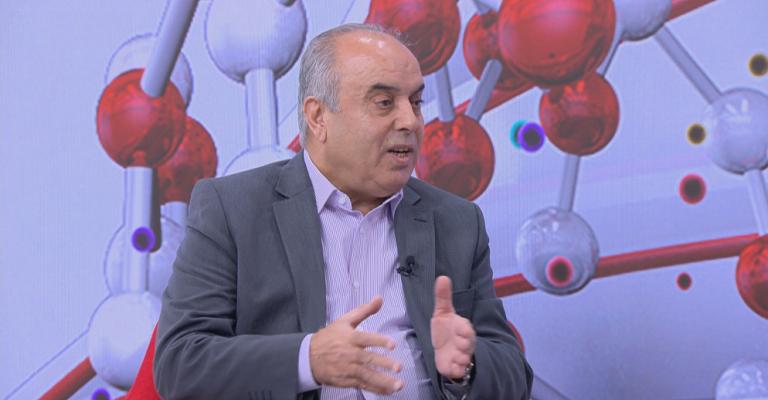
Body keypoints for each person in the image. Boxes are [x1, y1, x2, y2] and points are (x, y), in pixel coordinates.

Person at [154, 23, 533, 400]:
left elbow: (514, 374)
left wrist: (467, 366)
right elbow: (181, 363)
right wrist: (307, 360)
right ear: (318, 117)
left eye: (416, 102)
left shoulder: (456, 221)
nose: (410, 122)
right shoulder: (232, 209)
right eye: (384, 103)